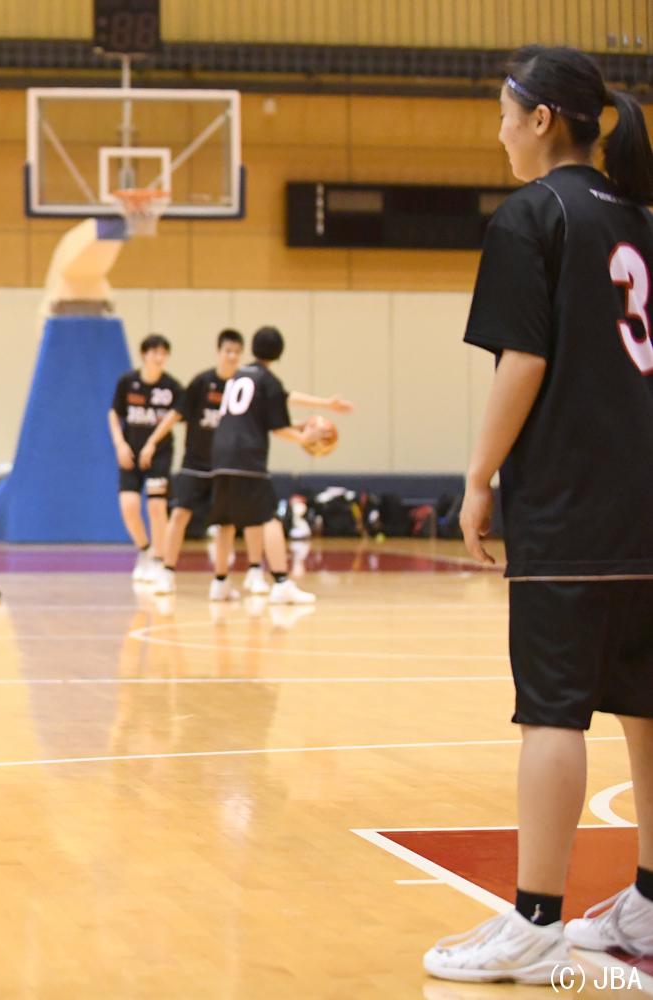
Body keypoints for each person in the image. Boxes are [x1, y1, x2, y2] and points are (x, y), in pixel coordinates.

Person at [424, 46, 653, 985]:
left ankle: (535, 923)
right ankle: (648, 900)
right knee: (646, 706)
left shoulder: (534, 215)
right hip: (646, 500)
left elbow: (524, 360)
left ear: (544, 119)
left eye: (505, 114)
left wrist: (479, 478)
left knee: (553, 712)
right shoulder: (640, 218)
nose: (500, 131)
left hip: (572, 502)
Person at [205, 327, 351, 604]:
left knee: (225, 521)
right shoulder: (267, 380)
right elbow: (278, 427)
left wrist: (321, 407)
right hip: (247, 457)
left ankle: (220, 583)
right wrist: (303, 437)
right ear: (279, 353)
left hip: (221, 455)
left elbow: (272, 406)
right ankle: (282, 583)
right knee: (269, 518)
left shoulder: (237, 377)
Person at [143, 328, 244, 595]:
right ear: (219, 352)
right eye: (228, 351)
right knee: (179, 515)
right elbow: (175, 415)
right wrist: (153, 440)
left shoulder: (243, 387)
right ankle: (167, 573)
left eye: (237, 352)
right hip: (195, 463)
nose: (232, 356)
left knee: (226, 524)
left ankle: (221, 581)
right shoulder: (202, 382)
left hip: (226, 466)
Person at [109, 334, 183, 585]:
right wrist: (120, 444)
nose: (159, 358)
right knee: (128, 505)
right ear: (144, 354)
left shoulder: (172, 387)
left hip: (158, 455)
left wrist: (152, 443)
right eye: (155, 352)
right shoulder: (127, 382)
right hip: (130, 453)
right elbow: (114, 413)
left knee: (156, 506)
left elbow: (176, 417)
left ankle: (159, 559)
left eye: (164, 353)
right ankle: (144, 549)